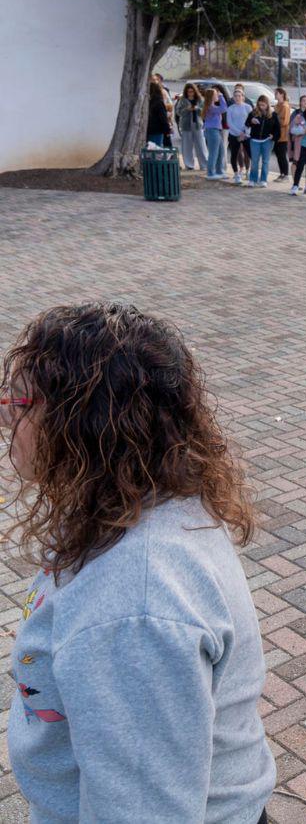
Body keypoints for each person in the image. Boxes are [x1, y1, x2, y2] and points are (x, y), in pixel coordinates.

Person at [2, 302, 275, 822]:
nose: (4, 413)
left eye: (20, 401)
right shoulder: (134, 497)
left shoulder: (135, 602)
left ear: (83, 422)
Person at [244, 94, 280, 187]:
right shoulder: (253, 113)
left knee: (265, 161)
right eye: (259, 105)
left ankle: (263, 180)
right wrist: (251, 121)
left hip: (267, 140)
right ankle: (253, 179)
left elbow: (278, 129)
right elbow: (247, 123)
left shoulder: (273, 114)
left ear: (267, 105)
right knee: (255, 161)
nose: (261, 107)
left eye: (263, 105)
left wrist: (274, 136)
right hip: (254, 140)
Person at [174, 82, 207, 170]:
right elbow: (178, 112)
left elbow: (204, 112)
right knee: (187, 146)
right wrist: (186, 109)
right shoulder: (182, 100)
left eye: (192, 91)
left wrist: (197, 108)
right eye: (189, 91)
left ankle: (204, 165)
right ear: (186, 92)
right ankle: (189, 165)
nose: (190, 93)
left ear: (195, 91)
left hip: (198, 125)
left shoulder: (200, 99)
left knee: (201, 145)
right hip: (186, 125)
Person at [225, 87, 252, 185]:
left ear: (243, 97)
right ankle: (237, 174)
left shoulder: (248, 107)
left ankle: (250, 173)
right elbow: (229, 123)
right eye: (235, 96)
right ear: (233, 97)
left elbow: (250, 121)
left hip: (246, 135)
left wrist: (245, 132)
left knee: (250, 154)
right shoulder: (230, 108)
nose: (237, 98)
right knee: (234, 155)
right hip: (234, 135)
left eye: (239, 96)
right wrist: (238, 132)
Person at [202, 87, 228, 180]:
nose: (217, 95)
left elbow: (222, 108)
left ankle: (219, 171)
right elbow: (224, 108)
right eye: (216, 94)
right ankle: (210, 173)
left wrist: (220, 96)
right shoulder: (211, 107)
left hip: (216, 130)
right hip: (212, 131)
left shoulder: (212, 106)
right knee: (214, 153)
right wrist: (221, 96)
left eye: (217, 94)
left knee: (221, 152)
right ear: (212, 96)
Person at [287, 93, 306, 177]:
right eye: (304, 101)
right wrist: (303, 130)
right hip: (297, 142)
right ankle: (295, 181)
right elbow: (291, 128)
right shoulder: (296, 113)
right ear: (300, 103)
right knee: (296, 162)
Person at [272, 88, 291, 181]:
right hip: (276, 134)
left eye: (277, 93)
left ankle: (286, 174)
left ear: (282, 94)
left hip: (283, 135)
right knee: (278, 155)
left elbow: (285, 122)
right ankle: (281, 174)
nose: (275, 94)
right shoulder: (276, 105)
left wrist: (275, 118)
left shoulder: (285, 106)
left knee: (282, 155)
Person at [145, 79, 171, 148]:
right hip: (157, 130)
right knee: (156, 149)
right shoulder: (159, 102)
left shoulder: (148, 102)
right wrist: (167, 130)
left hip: (148, 129)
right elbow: (163, 118)